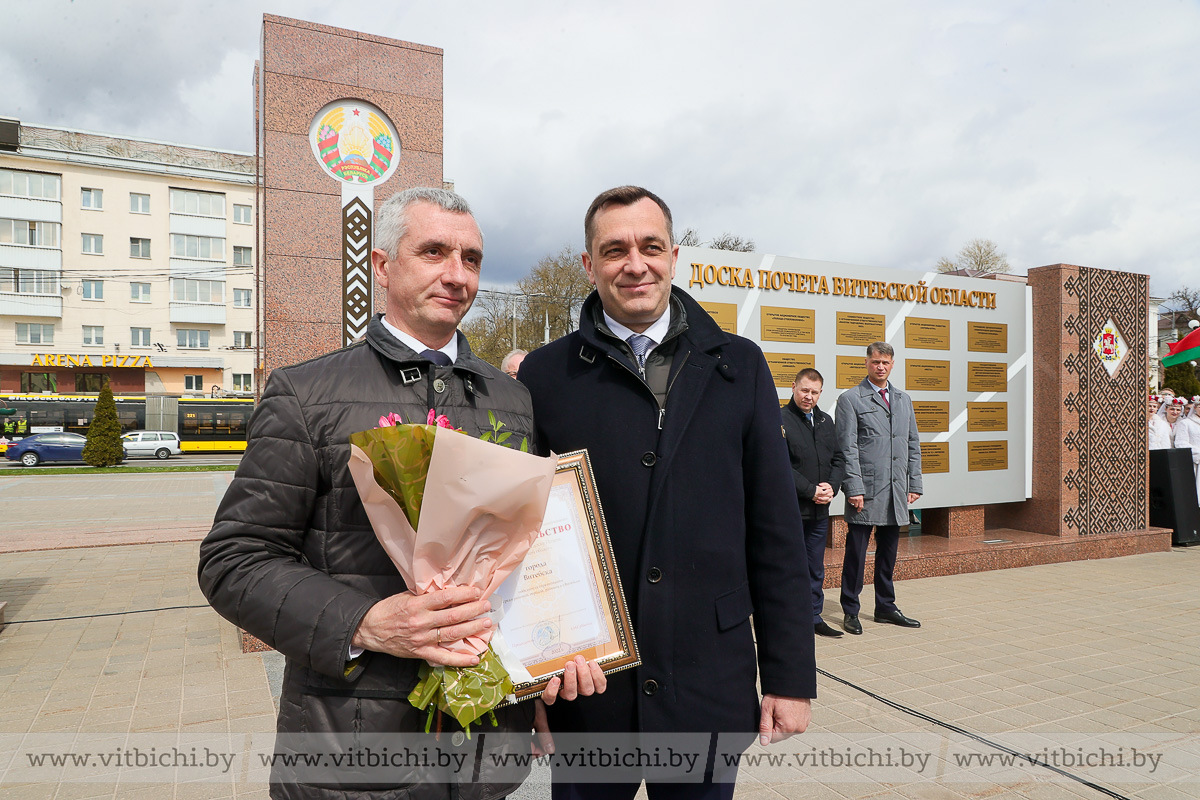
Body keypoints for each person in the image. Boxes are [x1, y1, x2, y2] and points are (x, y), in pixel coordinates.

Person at [197, 187, 600, 800]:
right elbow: (234, 561)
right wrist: (365, 621)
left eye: (471, 258)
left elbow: (526, 554)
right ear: (383, 266)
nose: (456, 274)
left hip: (486, 755)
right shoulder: (306, 393)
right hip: (351, 747)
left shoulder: (512, 400)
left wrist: (553, 653)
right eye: (433, 251)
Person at [519, 186, 815, 799]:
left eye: (651, 246)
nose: (636, 264)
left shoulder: (739, 365)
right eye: (615, 249)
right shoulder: (546, 377)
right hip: (587, 689)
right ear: (588, 263)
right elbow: (520, 540)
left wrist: (790, 677)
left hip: (708, 679)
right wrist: (526, 685)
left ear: (673, 255)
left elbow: (776, 530)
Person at [835, 341, 923, 635]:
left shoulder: (903, 400)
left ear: (892, 364)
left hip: (896, 491)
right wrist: (854, 488)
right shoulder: (851, 400)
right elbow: (847, 448)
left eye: (885, 362)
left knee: (888, 554)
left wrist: (914, 483)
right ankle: (850, 609)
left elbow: (912, 444)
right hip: (866, 491)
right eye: (875, 362)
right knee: (856, 554)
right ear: (867, 363)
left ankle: (885, 607)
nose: (880, 367)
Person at [781, 367, 845, 638]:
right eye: (804, 390)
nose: (809, 396)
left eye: (814, 392)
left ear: (821, 393)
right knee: (787, 567)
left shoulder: (825, 421)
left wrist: (832, 486)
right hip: (791, 511)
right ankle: (786, 619)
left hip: (819, 511)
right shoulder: (779, 419)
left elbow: (839, 459)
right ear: (794, 387)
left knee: (815, 567)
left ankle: (813, 616)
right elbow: (779, 465)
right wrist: (810, 490)